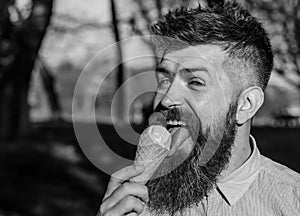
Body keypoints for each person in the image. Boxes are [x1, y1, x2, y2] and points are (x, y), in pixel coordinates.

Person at [98, 1, 300, 215]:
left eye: (195, 82)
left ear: (246, 105)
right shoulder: (132, 198)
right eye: (165, 79)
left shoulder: (293, 202)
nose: (166, 100)